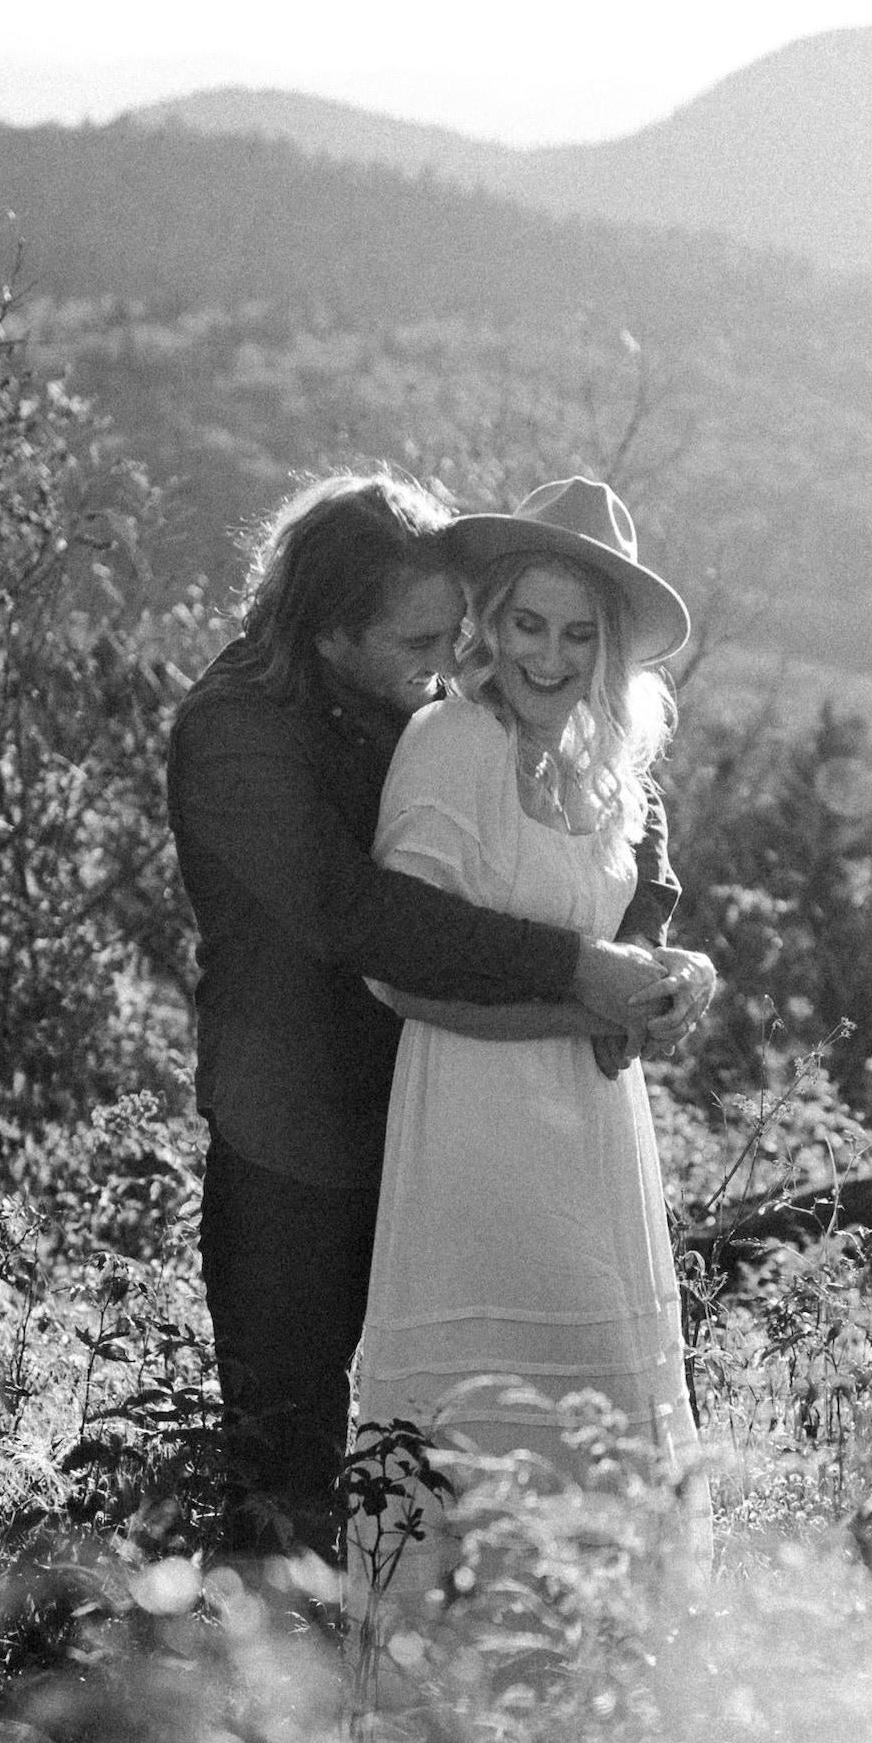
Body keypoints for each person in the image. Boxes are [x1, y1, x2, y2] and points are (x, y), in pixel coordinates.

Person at [165, 470, 700, 1557]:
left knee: (471, 1433)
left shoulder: (436, 706)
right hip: (299, 1132)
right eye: (422, 640)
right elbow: (363, 919)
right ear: (330, 632)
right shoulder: (236, 735)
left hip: (454, 1115)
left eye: (455, 628)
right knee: (291, 1454)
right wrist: (577, 977)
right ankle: (282, 1649)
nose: (454, 656)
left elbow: (626, 845)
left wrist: (647, 957)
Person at [350, 477, 718, 1585]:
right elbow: (398, 970)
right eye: (527, 624)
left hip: (595, 1140)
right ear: (489, 622)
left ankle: (597, 1671)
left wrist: (677, 978)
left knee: (601, 1409)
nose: (548, 657)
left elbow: (621, 938)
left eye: (577, 633)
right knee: (483, 1415)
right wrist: (580, 1004)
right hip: (474, 1129)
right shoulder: (450, 741)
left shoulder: (613, 777)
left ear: (609, 651)